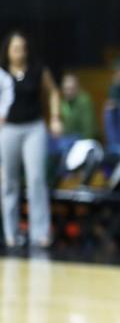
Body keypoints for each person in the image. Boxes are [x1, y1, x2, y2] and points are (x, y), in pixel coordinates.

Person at [0, 31, 63, 249]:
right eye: (15, 48)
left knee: (36, 179)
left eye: (23, 48)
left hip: (33, 127)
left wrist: (54, 118)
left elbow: (53, 92)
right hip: (8, 129)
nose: (20, 52)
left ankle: (40, 232)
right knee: (9, 181)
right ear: (7, 51)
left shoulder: (37, 70)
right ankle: (11, 232)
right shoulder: (2, 73)